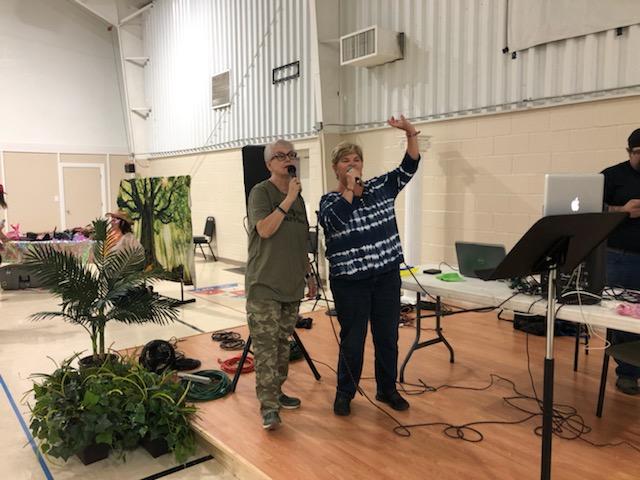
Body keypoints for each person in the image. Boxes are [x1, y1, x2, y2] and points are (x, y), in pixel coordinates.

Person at [318, 115, 421, 416]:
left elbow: (409, 166)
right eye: (346, 161)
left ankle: (387, 390)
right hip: (351, 283)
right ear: (335, 168)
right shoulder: (329, 201)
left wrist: (410, 133)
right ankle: (344, 394)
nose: (352, 164)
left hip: (386, 276)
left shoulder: (381, 187)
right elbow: (335, 222)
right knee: (353, 341)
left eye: (356, 160)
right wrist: (350, 190)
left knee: (387, 337)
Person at [245, 139, 317, 430]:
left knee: (282, 347)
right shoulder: (261, 192)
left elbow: (300, 241)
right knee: (265, 349)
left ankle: (277, 392)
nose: (288, 159)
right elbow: (264, 229)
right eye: (280, 156)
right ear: (269, 164)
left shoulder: (298, 198)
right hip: (264, 285)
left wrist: (309, 274)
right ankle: (269, 408)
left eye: (292, 155)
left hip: (291, 286)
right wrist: (288, 199)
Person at [601, 127, 640, 395]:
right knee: (623, 318)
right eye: (639, 153)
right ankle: (627, 373)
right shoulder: (611, 176)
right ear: (629, 152)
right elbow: (589, 207)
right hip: (621, 258)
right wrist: (622, 210)